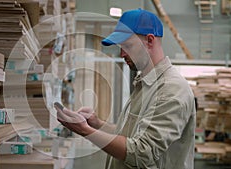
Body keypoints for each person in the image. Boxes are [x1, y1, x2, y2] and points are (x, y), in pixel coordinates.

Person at [55, 8, 196, 169]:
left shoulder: (171, 90)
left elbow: (142, 153)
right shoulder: (145, 83)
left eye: (127, 46)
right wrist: (96, 123)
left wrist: (86, 131)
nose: (122, 54)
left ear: (150, 41)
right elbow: (131, 135)